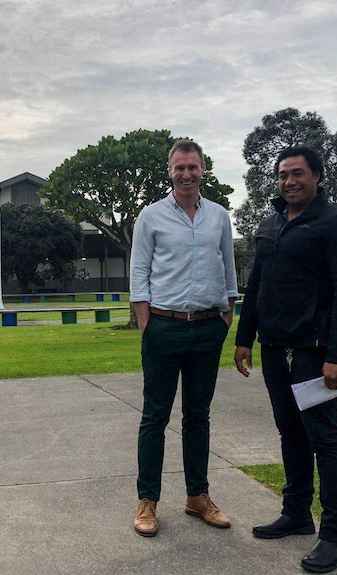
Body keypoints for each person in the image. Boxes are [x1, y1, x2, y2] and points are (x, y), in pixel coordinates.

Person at [234, 146, 337, 573]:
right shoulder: (270, 225)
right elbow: (256, 284)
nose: (289, 181)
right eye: (283, 175)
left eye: (297, 174)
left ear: (317, 176)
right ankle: (295, 514)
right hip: (274, 347)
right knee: (289, 432)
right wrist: (245, 337)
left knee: (325, 439)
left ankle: (334, 536)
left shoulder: (336, 225)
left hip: (314, 352)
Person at [130, 139, 239, 537]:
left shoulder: (219, 217)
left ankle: (197, 497)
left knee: (198, 416)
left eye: (193, 167)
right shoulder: (151, 216)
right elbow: (138, 274)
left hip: (208, 326)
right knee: (154, 417)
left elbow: (228, 269)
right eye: (180, 167)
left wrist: (227, 316)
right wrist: (147, 322)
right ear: (170, 171)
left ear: (203, 170)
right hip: (164, 326)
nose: (187, 174)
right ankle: (147, 501)